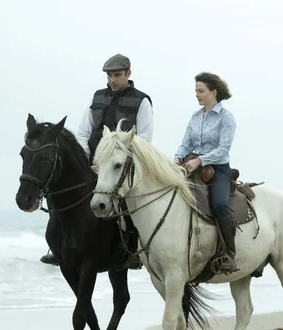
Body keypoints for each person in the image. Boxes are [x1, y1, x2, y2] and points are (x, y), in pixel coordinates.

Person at [40, 53, 154, 269]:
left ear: (128, 74)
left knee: (128, 200)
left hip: (122, 166)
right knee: (64, 193)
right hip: (94, 162)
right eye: (110, 75)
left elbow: (144, 140)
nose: (113, 80)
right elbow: (83, 132)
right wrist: (87, 160)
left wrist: (118, 160)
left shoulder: (142, 100)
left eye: (117, 75)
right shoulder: (97, 97)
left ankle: (133, 249)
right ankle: (58, 246)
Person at [173, 72, 238, 274]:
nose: (197, 95)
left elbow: (223, 149)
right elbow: (186, 144)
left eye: (200, 91)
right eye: (196, 91)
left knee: (219, 204)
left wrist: (200, 160)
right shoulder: (195, 116)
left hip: (217, 169)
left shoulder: (226, 118)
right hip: (192, 166)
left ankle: (230, 254)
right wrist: (177, 158)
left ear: (213, 92)